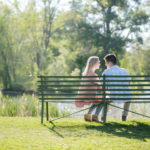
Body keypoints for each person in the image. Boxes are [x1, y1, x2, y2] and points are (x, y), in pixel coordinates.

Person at [100, 54, 131, 121]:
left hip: (114, 96)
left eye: (106, 62)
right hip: (126, 96)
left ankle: (103, 117)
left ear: (109, 62)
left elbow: (101, 85)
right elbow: (128, 82)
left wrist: (104, 93)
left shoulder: (106, 72)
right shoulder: (124, 70)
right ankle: (124, 117)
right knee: (128, 98)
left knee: (106, 100)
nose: (105, 64)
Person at [75, 56, 103, 122]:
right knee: (103, 99)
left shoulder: (86, 74)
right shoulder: (93, 75)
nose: (99, 64)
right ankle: (94, 116)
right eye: (98, 62)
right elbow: (100, 87)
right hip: (89, 96)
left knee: (98, 99)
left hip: (82, 95)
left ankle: (88, 114)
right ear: (94, 63)